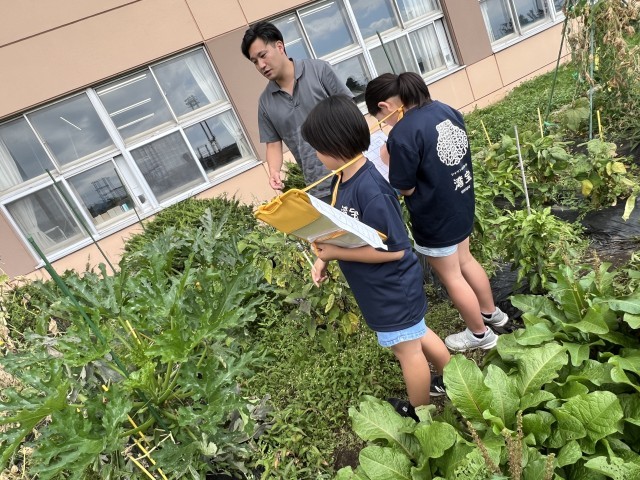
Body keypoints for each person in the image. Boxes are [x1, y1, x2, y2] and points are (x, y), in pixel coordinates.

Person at [301, 95, 451, 412]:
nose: (315, 154)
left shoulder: (371, 190)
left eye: (318, 148)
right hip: (381, 287)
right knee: (418, 333)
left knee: (408, 351)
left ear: (335, 146)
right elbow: (344, 229)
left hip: (393, 287)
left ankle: (420, 415)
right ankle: (454, 379)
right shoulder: (343, 179)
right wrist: (323, 255)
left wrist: (337, 253)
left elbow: (395, 251)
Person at [364, 73, 508, 352]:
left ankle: (480, 335)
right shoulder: (445, 109)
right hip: (460, 202)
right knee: (465, 260)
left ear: (385, 107)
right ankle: (492, 313)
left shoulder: (402, 135)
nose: (385, 125)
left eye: (382, 120)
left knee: (452, 276)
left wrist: (387, 158)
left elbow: (405, 187)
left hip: (434, 217)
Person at [241, 21, 353, 201]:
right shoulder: (265, 103)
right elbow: (273, 144)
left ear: (279, 47)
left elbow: (350, 110)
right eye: (255, 61)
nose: (261, 65)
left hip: (353, 172)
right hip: (319, 188)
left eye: (263, 55)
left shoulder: (319, 70)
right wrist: (274, 171)